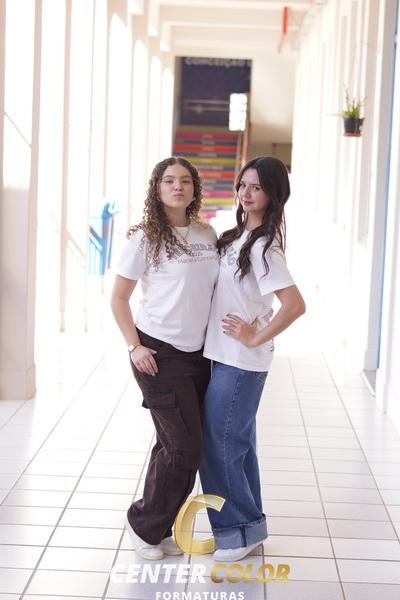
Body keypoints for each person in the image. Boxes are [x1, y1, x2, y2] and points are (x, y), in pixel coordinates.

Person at [111, 157, 219, 560]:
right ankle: (145, 525)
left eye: (185, 181)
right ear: (157, 189)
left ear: (194, 189)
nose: (178, 187)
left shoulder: (207, 234)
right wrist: (134, 346)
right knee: (185, 447)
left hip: (199, 354)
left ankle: (156, 527)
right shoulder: (145, 238)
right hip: (157, 353)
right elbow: (119, 298)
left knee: (171, 443)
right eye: (169, 180)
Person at [199, 155, 306, 562]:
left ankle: (237, 534)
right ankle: (249, 529)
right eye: (243, 184)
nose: (246, 193)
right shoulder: (238, 237)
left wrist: (254, 335)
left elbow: (294, 305)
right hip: (223, 356)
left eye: (256, 187)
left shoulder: (264, 248)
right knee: (238, 446)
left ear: (273, 194)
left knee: (218, 446)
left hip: (242, 362)